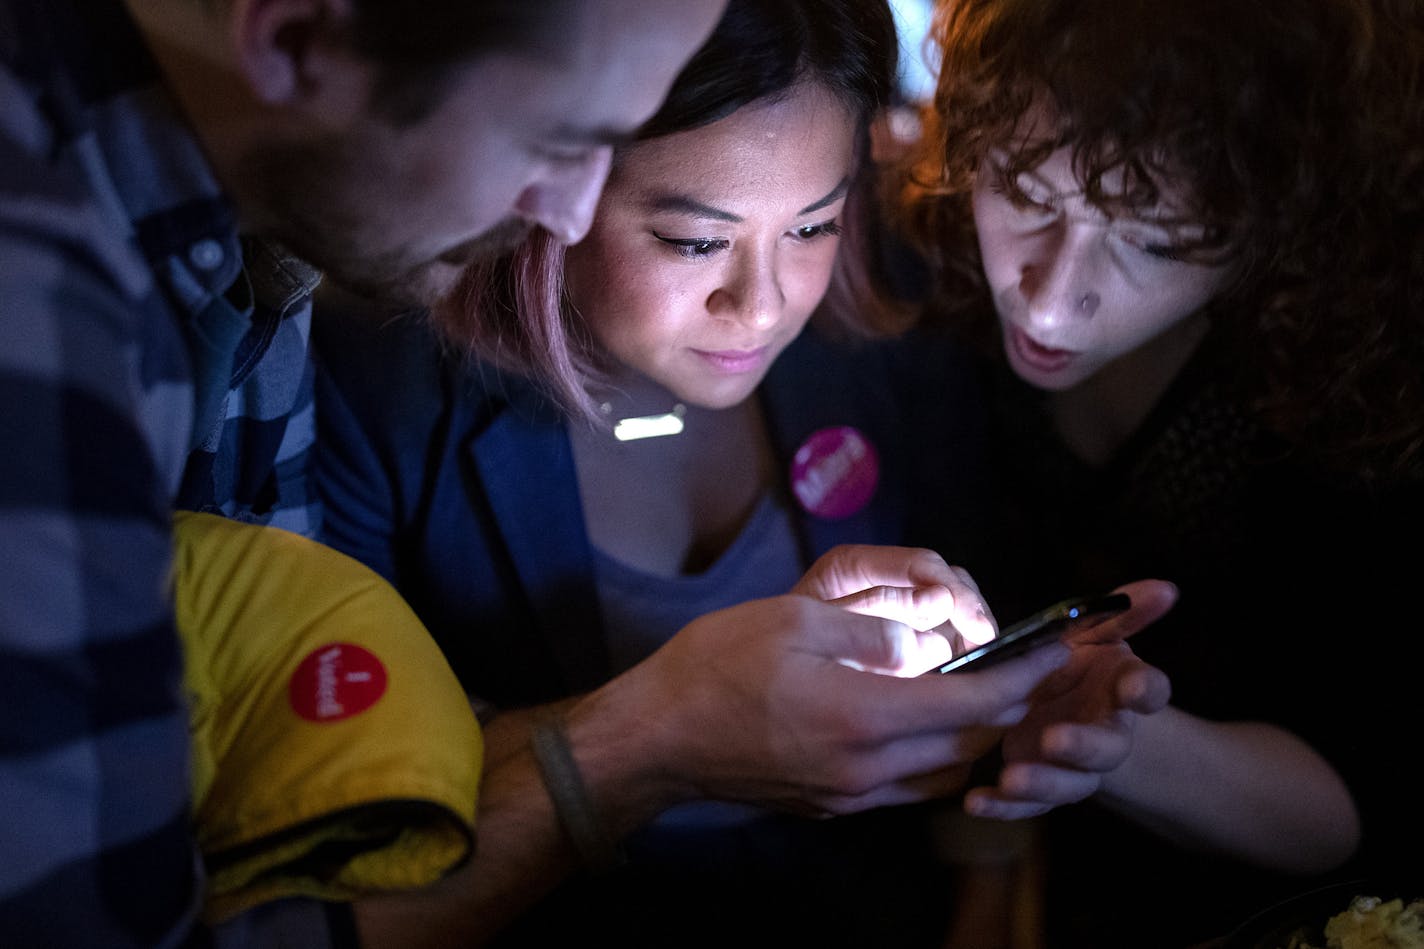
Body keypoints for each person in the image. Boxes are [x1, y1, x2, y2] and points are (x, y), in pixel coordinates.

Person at [314, 0, 1176, 944]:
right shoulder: (377, 388)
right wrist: (658, 735)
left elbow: (975, 603)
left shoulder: (889, 315)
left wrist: (986, 853)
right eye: (693, 241)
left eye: (813, 226)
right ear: (549, 188)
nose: (762, 306)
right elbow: (357, 814)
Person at [0, 0, 727, 944]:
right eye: (553, 142)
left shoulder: (265, 230)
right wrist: (649, 749)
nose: (573, 215)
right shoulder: (37, 306)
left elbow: (256, 742)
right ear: (296, 40)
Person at [897, 0, 1424, 945]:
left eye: (1153, 243)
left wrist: (1126, 745)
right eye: (1024, 190)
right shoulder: (925, 272)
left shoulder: (1345, 390)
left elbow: (1365, 797)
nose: (1050, 307)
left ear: (1275, 234)